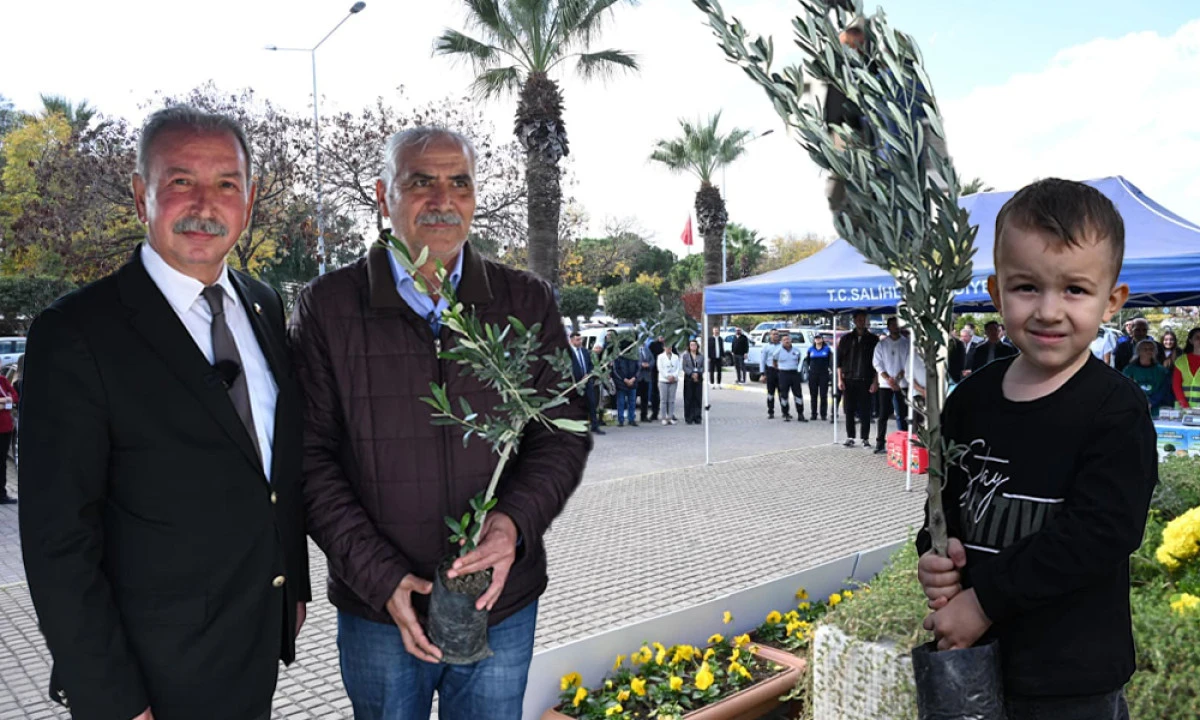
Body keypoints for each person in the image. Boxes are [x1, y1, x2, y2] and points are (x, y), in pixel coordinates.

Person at [290, 127, 591, 720]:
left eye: (460, 183)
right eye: (421, 182)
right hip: (380, 611)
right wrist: (379, 578)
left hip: (497, 605)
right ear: (384, 195)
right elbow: (307, 457)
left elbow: (559, 435)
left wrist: (513, 524)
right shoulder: (328, 306)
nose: (442, 200)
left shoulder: (525, 301)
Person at [19, 107, 310, 720]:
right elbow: (57, 543)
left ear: (250, 199)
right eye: (181, 181)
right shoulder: (75, 334)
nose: (205, 203)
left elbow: (272, 466)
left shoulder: (261, 304)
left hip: (252, 648)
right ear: (140, 195)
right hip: (149, 678)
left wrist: (293, 586)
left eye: (226, 183)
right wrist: (113, 700)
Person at [918, 178, 1155, 720]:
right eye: (1027, 288)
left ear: (1111, 300)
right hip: (974, 663)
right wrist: (933, 555)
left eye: (1074, 289)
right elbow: (946, 506)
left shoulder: (1115, 409)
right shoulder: (971, 398)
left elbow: (1101, 535)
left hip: (1071, 680)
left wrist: (982, 602)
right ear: (997, 293)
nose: (1049, 310)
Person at [837, 311, 878, 448]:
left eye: (863, 319)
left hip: (866, 379)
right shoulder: (846, 339)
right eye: (859, 319)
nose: (861, 321)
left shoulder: (873, 339)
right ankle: (850, 437)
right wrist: (839, 380)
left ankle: (865, 438)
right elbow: (839, 362)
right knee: (849, 409)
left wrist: (875, 381)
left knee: (866, 410)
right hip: (849, 379)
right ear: (854, 320)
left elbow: (877, 363)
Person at [871, 317, 909, 453]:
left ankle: (905, 441)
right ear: (888, 327)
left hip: (902, 384)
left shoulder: (906, 343)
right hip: (885, 385)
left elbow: (908, 363)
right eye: (892, 325)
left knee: (903, 414)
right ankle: (880, 443)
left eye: (897, 325)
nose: (895, 327)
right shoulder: (882, 344)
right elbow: (877, 363)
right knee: (883, 415)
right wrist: (888, 379)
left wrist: (897, 379)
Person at [1123, 339, 1171, 417]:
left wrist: (1150, 402)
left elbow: (1163, 390)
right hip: (1134, 409)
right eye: (1145, 349)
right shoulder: (1129, 370)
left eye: (1151, 349)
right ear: (1138, 351)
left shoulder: (1162, 371)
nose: (1148, 351)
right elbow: (1125, 389)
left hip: (1156, 410)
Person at [569, 332, 604, 435]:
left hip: (587, 382)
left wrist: (588, 375)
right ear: (571, 340)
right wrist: (578, 379)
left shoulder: (585, 352)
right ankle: (578, 427)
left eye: (581, 339)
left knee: (592, 404)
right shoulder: (568, 353)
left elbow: (590, 365)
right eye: (577, 340)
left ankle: (594, 426)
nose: (580, 342)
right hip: (576, 384)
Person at [773, 333, 808, 422]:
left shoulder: (796, 350)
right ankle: (786, 413)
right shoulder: (778, 351)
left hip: (794, 374)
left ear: (791, 340)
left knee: (798, 395)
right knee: (784, 395)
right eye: (784, 340)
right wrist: (780, 369)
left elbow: (799, 359)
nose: (787, 341)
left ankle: (800, 414)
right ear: (781, 341)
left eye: (788, 339)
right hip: (783, 374)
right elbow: (774, 362)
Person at [1171, 327, 1200, 410]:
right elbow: (1176, 385)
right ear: (1191, 341)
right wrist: (1185, 406)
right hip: (1183, 408)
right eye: (1197, 338)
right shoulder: (1181, 361)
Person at [806, 333, 833, 421]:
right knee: (813, 395)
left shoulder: (827, 349)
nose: (817, 340)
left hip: (824, 374)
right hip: (813, 374)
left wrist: (830, 371)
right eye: (816, 338)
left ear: (822, 339)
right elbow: (808, 361)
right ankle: (814, 414)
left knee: (823, 395)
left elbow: (830, 361)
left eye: (819, 338)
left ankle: (823, 414)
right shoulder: (810, 349)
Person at [612, 339, 639, 428]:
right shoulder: (618, 357)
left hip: (632, 382)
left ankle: (631, 419)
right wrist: (624, 379)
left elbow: (638, 368)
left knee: (632, 402)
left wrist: (633, 378)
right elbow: (616, 370)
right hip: (621, 383)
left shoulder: (634, 356)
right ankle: (621, 420)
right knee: (621, 402)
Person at [0, 372, 17, 504]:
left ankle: (2, 493)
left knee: (2, 462)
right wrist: (3, 400)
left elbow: (15, 396)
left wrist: (7, 400)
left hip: (6, 427)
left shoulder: (3, 380)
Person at [657, 342, 682, 425]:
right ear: (664, 348)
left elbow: (678, 368)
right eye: (667, 347)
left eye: (670, 347)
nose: (669, 349)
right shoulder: (660, 357)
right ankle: (663, 417)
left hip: (673, 380)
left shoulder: (676, 357)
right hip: (663, 380)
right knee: (663, 400)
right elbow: (660, 368)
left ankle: (670, 417)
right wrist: (667, 376)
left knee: (671, 400)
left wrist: (674, 376)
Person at [682, 339, 705, 425]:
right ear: (689, 346)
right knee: (688, 398)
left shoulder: (701, 356)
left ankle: (697, 417)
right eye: (691, 345)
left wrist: (698, 373)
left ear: (697, 346)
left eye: (694, 345)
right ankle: (689, 417)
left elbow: (703, 367)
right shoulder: (685, 356)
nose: (693, 347)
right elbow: (684, 367)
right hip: (688, 379)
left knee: (697, 398)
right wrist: (692, 373)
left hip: (698, 379)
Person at [760, 329, 783, 419]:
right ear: (770, 335)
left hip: (781, 371)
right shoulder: (766, 347)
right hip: (770, 371)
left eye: (777, 334)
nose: (775, 336)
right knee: (770, 393)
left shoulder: (783, 346)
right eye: (773, 334)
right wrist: (762, 374)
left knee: (782, 393)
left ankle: (785, 412)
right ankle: (770, 412)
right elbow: (762, 361)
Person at [637, 338, 657, 422]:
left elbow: (652, 360)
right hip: (638, 377)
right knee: (634, 397)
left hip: (646, 377)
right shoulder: (635, 350)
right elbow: (634, 361)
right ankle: (632, 417)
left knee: (644, 398)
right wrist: (641, 365)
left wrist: (649, 365)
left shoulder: (647, 349)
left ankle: (644, 416)